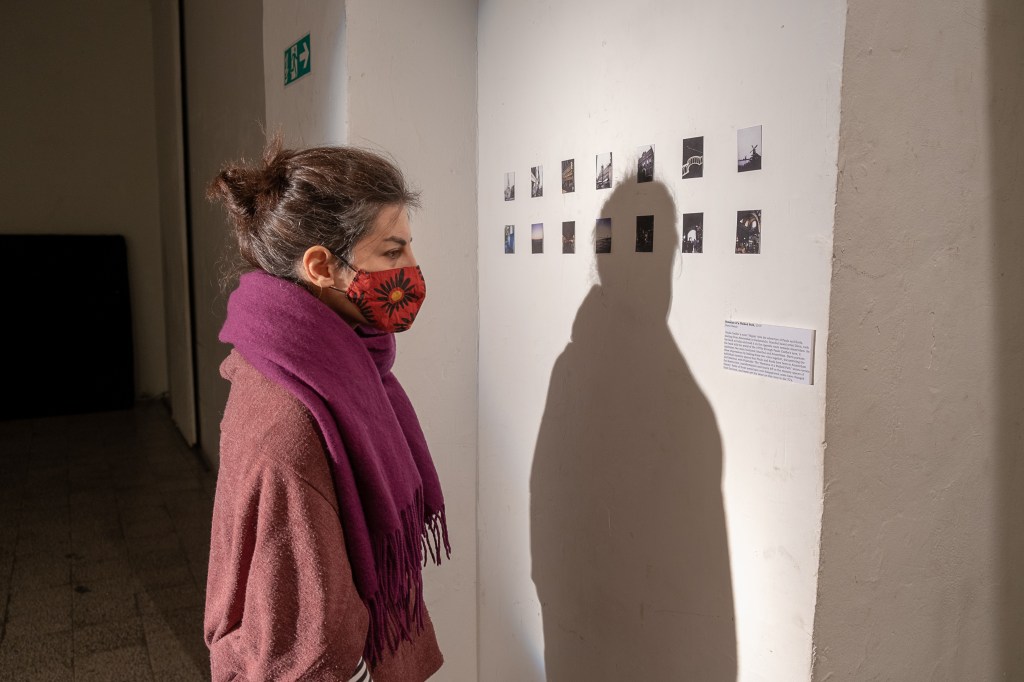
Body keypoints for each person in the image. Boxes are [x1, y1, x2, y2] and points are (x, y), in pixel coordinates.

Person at [203, 140, 450, 682]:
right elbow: (301, 650)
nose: (412, 269)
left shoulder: (334, 364)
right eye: (392, 252)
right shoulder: (290, 422)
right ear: (321, 266)